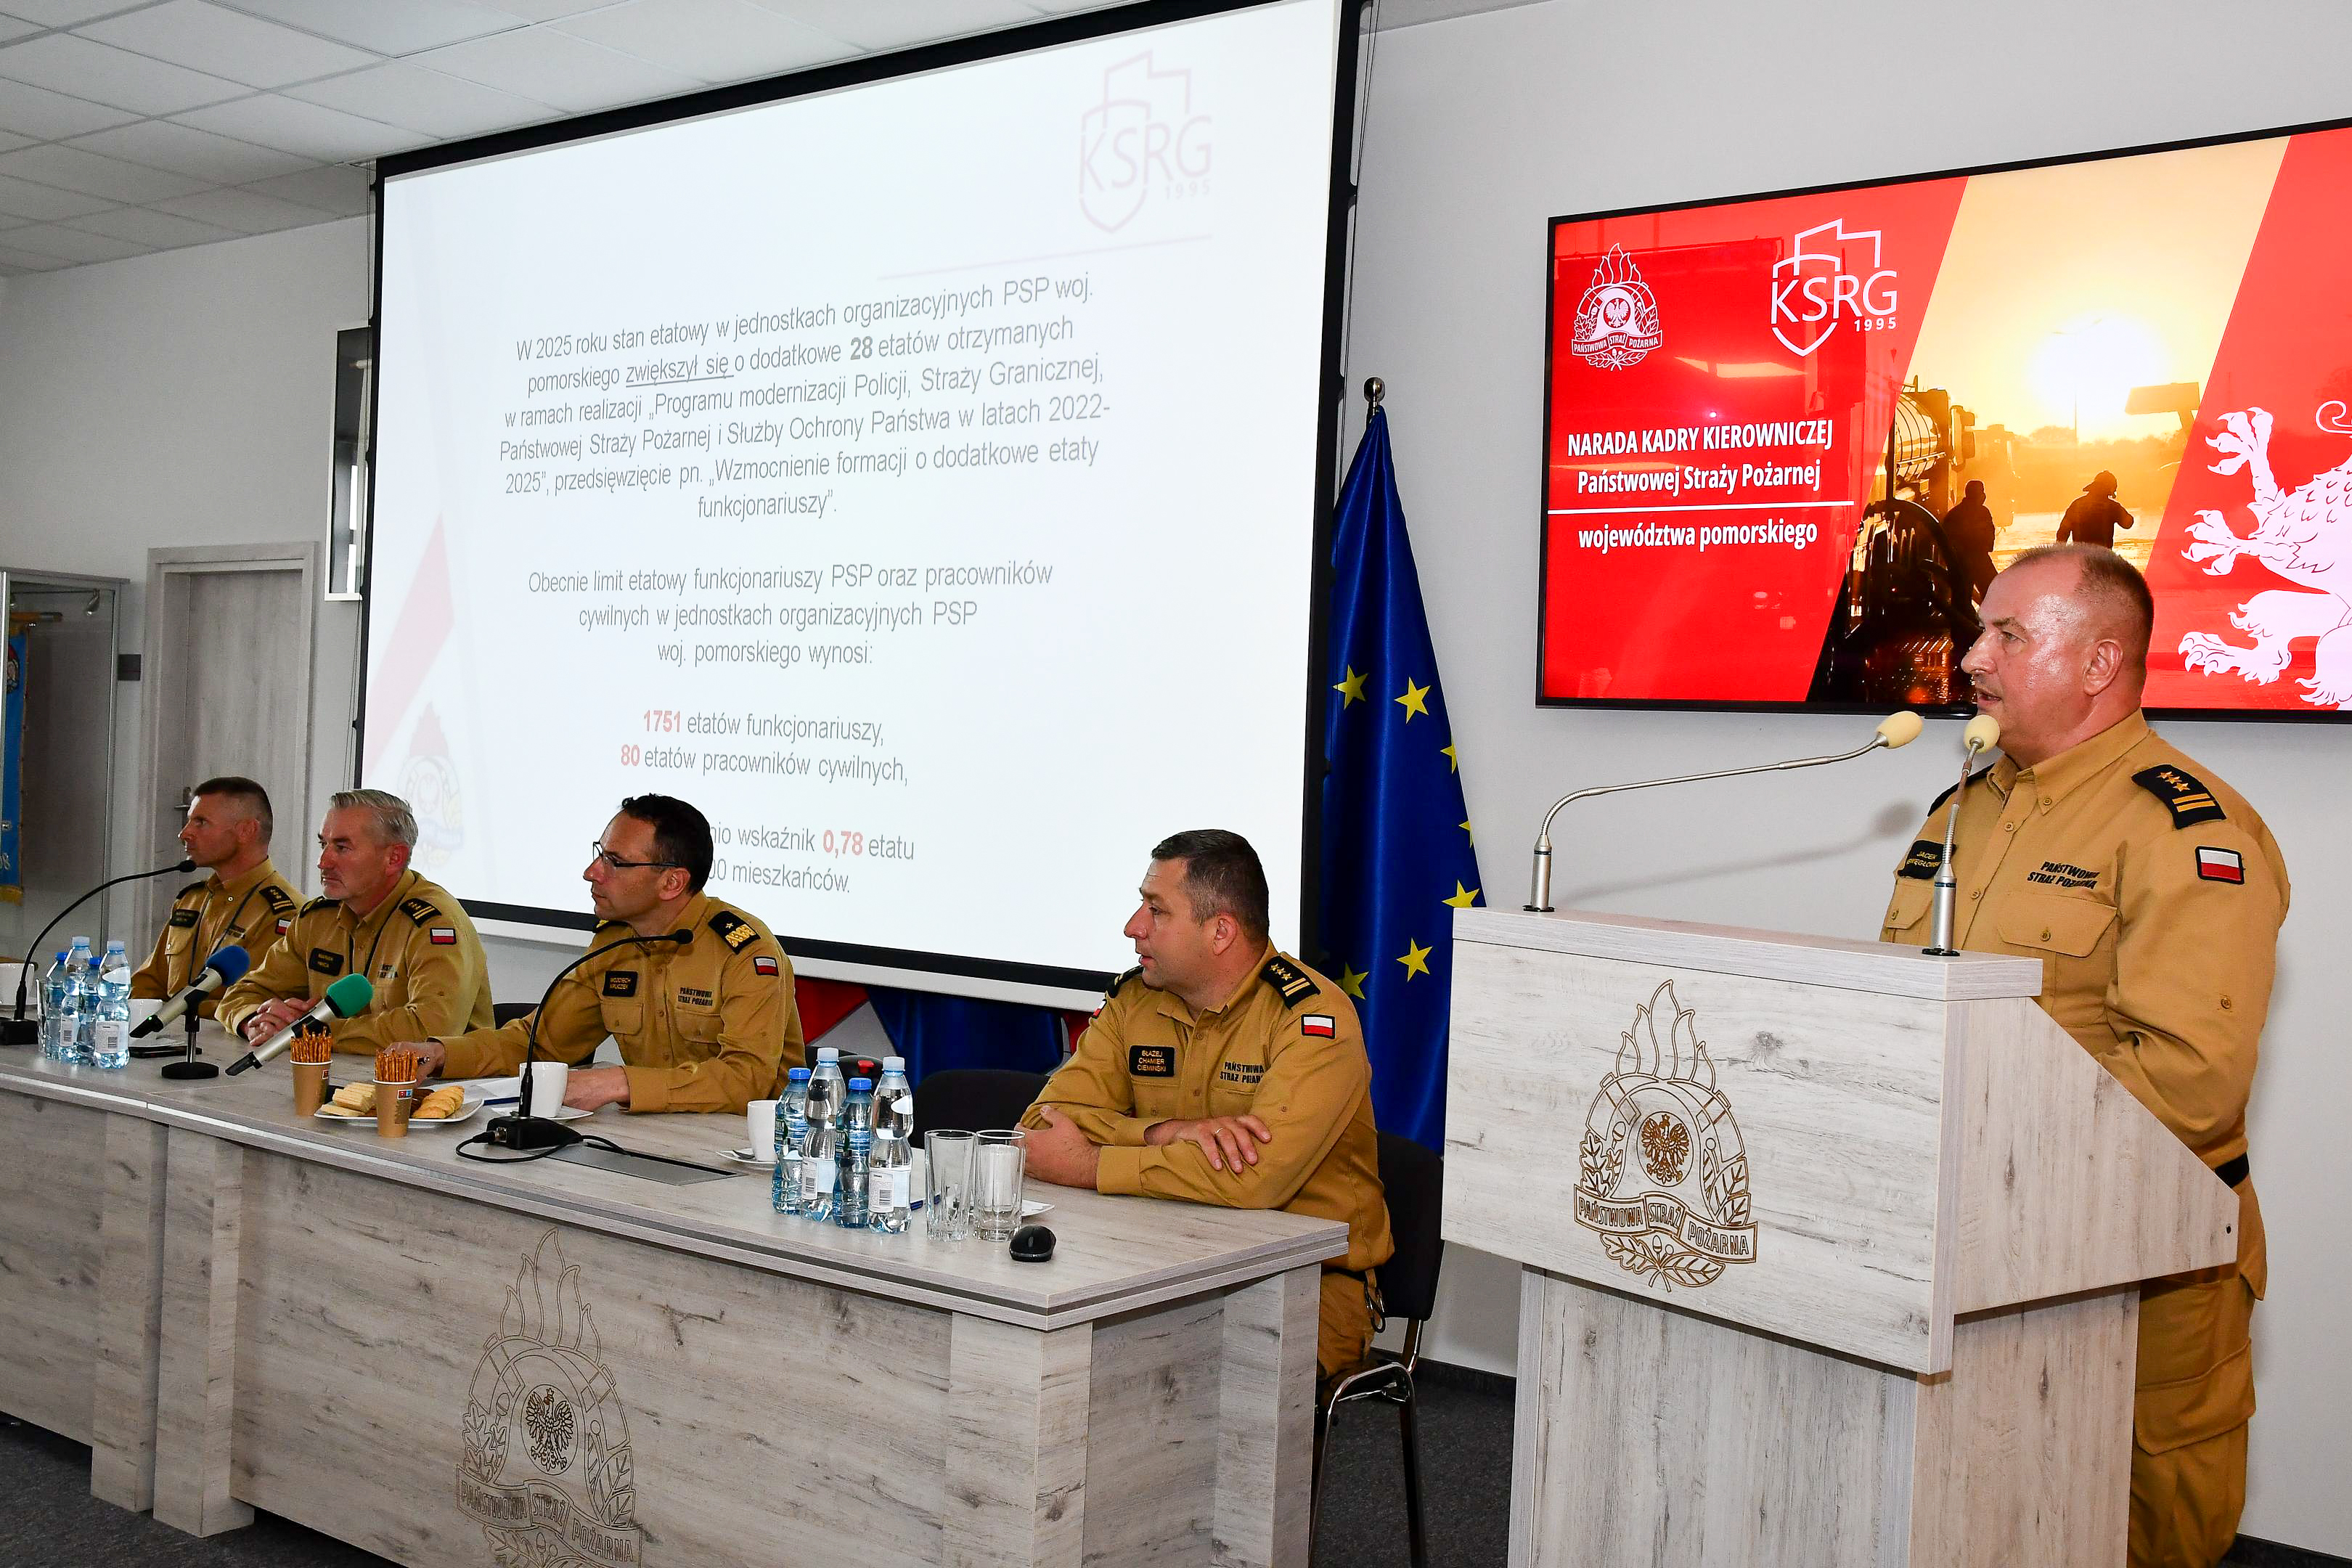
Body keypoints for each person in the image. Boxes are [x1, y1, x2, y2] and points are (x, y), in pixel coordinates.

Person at [1878, 544, 2285, 1568]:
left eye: (2007, 635)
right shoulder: (1963, 807)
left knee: (2135, 1528)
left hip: (2143, 1258)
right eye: (1982, 631)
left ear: (2100, 663)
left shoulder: (2185, 828)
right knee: (1992, 1512)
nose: (1972, 658)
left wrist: (1983, 1155)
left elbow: (2189, 1081)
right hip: (1979, 1248)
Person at [1020, 829, 1394, 1380]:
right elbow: (1038, 1127)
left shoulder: (1312, 1019)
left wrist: (1089, 1163)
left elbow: (1256, 1179)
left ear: (1220, 931)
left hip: (1303, 1282)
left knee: (1172, 1380)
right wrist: (1163, 1133)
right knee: (1050, 1355)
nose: (1133, 927)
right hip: (1156, 1257)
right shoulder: (1134, 1002)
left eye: (1156, 910)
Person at [398, 796, 802, 1114]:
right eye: (599, 853)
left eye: (615, 862)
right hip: (653, 1139)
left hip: (749, 1157)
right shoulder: (615, 944)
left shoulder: (745, 953)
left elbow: (745, 1079)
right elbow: (541, 1043)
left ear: (672, 882)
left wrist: (621, 1083)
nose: (592, 872)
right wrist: (442, 1053)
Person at [217, 789, 493, 1056]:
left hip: (431, 1084)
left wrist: (310, 1031)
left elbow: (431, 1029)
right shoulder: (317, 919)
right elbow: (242, 994)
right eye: (323, 845)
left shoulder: (434, 924)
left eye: (342, 847)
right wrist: (256, 1022)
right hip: (335, 1074)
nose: (323, 862)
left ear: (394, 858)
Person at [131, 776, 300, 1018]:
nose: (184, 834)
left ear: (246, 830)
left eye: (200, 822)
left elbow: (255, 1004)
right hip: (164, 1037)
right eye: (189, 821)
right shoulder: (192, 900)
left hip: (227, 1039)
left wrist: (172, 1012)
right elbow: (147, 984)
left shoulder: (287, 913)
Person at [1940, 478, 1998, 603]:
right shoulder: (1977, 513)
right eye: (1981, 492)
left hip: (1974, 559)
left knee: (1992, 591)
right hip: (1968, 560)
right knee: (1989, 592)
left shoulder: (1960, 513)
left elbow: (1989, 533)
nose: (1984, 495)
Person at [2055, 469, 2133, 548]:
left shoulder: (2077, 505)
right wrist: (2120, 511)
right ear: (2109, 489)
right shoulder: (2113, 507)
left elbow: (2063, 532)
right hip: (2102, 554)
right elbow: (2128, 524)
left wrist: (2059, 552)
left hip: (2080, 553)